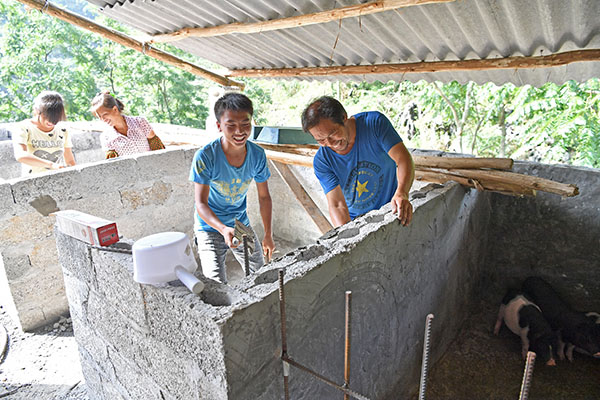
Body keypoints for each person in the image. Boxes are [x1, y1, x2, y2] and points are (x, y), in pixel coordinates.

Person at [189, 92, 275, 284]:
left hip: (239, 223)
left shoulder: (257, 155)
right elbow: (201, 204)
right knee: (217, 285)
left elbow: (264, 197)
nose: (239, 131)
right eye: (231, 125)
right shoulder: (205, 156)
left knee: (260, 273)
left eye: (245, 124)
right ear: (219, 126)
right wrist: (221, 228)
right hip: (209, 226)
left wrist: (268, 233)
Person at [301, 96, 415, 228]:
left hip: (392, 211)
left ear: (344, 117)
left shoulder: (374, 124)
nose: (331, 143)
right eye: (321, 140)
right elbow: (337, 204)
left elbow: (403, 159)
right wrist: (346, 232)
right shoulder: (322, 161)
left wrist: (402, 193)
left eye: (333, 133)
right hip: (358, 222)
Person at [13, 91, 76, 176]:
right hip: (32, 182)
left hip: (59, 181)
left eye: (56, 118)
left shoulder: (63, 130)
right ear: (37, 111)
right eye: (47, 116)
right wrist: (51, 165)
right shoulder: (24, 127)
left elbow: (69, 160)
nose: (51, 122)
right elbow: (21, 155)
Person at [90, 92, 165, 159]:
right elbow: (115, 165)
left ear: (115, 109)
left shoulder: (140, 122)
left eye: (105, 115)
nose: (103, 119)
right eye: (100, 117)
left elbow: (158, 150)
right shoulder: (106, 137)